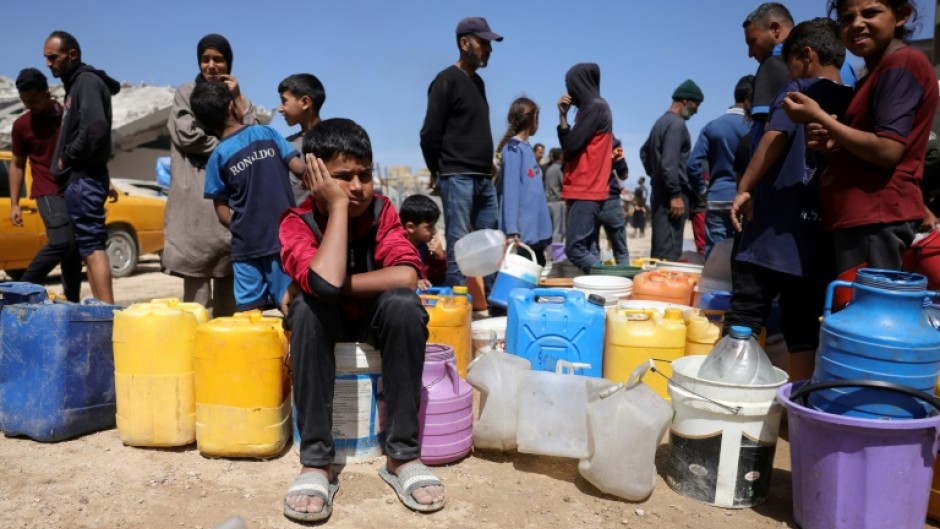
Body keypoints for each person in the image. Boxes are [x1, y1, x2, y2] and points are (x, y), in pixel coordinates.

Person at [280, 118, 445, 521]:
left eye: (364, 175)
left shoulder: (382, 211)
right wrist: (335, 209)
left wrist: (326, 285)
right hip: (325, 325)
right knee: (306, 309)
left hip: (372, 321)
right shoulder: (295, 223)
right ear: (314, 178)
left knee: (404, 305)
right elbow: (323, 284)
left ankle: (402, 456)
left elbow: (406, 274)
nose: (356, 186)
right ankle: (317, 463)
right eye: (342, 177)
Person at [729, 17, 855, 381]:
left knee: (745, 317)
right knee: (803, 331)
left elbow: (774, 138)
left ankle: (733, 398)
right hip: (816, 245)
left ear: (806, 56)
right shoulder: (854, 100)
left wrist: (745, 188)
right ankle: (796, 409)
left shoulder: (797, 89)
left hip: (772, 234)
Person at [782, 0, 937, 274]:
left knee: (862, 310)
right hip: (861, 216)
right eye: (847, 18)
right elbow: (869, 146)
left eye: (870, 13)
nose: (856, 24)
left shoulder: (903, 63)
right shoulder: (874, 74)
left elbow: (888, 150)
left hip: (876, 216)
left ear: (900, 16)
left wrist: (820, 116)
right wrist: (834, 143)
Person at [164, 34, 259, 317]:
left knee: (231, 294)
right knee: (196, 300)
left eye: (218, 59)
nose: (212, 65)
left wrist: (238, 97)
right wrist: (229, 146)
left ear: (228, 62)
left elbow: (254, 138)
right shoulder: (186, 93)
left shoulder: (241, 100)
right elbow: (186, 135)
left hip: (229, 203)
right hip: (195, 200)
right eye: (206, 59)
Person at [191, 81, 304, 313]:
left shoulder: (217, 157)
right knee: (291, 306)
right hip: (282, 241)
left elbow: (220, 207)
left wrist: (240, 226)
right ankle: (294, 350)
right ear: (233, 106)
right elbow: (299, 168)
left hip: (245, 247)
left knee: (249, 315)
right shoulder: (266, 133)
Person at [419, 17, 503, 288]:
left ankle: (489, 302)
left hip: (482, 178)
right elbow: (429, 134)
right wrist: (438, 171)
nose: (489, 49)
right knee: (459, 243)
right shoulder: (445, 81)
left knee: (489, 243)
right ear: (464, 43)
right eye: (484, 43)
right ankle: (459, 303)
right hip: (457, 176)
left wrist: (487, 162)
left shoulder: (478, 83)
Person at [44, 30, 120, 305]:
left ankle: (108, 315)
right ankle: (104, 312)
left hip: (84, 177)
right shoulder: (76, 84)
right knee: (88, 247)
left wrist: (67, 157)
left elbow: (96, 129)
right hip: (84, 177)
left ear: (72, 55)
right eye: (46, 58)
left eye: (53, 57)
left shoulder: (86, 82)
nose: (49, 63)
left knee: (92, 245)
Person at [8, 68, 82, 301]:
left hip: (72, 187)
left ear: (47, 93)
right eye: (25, 101)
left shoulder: (67, 115)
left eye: (34, 100)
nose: (30, 105)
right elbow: (17, 164)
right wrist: (14, 204)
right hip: (45, 190)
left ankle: (72, 302)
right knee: (62, 242)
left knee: (74, 251)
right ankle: (20, 289)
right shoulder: (21, 125)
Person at [743, 3, 858, 150]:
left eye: (752, 42)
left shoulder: (773, 63)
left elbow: (772, 133)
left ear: (775, 29)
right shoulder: (843, 65)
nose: (750, 53)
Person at [686, 75, 753, 257]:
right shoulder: (755, 126)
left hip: (716, 197)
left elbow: (692, 164)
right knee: (742, 255)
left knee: (715, 257)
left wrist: (702, 190)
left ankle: (714, 286)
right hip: (746, 200)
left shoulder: (712, 126)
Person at [557, 63, 614, 273]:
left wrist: (563, 121)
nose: (568, 91)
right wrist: (563, 117)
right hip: (586, 188)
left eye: (569, 84)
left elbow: (570, 147)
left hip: (586, 187)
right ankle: (598, 291)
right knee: (588, 248)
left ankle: (608, 278)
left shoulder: (595, 107)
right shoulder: (589, 110)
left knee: (575, 249)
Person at [640, 79, 703, 261]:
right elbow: (669, 162)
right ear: (685, 101)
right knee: (669, 252)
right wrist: (674, 193)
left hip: (661, 191)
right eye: (695, 105)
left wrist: (655, 175)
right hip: (672, 197)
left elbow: (644, 152)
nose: (696, 110)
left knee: (661, 247)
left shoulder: (660, 122)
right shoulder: (676, 124)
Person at [496, 97, 552, 266]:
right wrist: (512, 229)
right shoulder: (513, 149)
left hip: (535, 231)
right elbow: (510, 190)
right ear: (533, 119)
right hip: (522, 235)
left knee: (538, 268)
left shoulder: (527, 148)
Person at [278, 73, 326, 205]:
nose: (280, 109)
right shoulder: (286, 145)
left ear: (305, 102)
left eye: (284, 101)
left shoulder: (335, 139)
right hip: (296, 223)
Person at [399, 194, 447, 288]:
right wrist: (414, 282)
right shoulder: (397, 249)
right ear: (411, 227)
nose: (434, 231)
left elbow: (438, 280)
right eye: (430, 227)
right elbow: (396, 275)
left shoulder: (425, 249)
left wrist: (440, 257)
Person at [598, 139, 629, 264]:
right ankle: (625, 281)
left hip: (586, 200)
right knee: (620, 250)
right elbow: (623, 173)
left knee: (591, 249)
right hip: (610, 198)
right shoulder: (612, 142)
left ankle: (591, 280)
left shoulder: (580, 137)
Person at [543, 147, 565, 243]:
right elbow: (564, 183)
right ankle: (557, 256)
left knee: (551, 230)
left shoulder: (549, 169)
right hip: (558, 203)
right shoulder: (559, 168)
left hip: (549, 202)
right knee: (559, 230)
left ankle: (551, 254)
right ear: (560, 156)